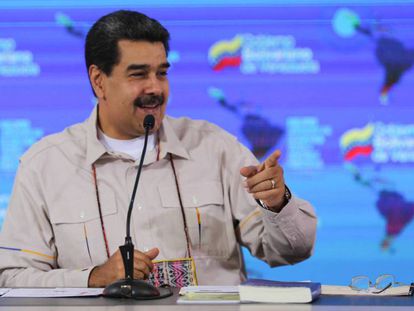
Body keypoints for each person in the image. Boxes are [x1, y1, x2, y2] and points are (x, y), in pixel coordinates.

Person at [0, 10, 317, 288]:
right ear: (98, 81)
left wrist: (278, 204)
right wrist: (92, 276)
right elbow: (12, 277)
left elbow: (293, 251)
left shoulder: (215, 148)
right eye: (138, 74)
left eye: (162, 73)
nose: (155, 87)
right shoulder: (46, 165)